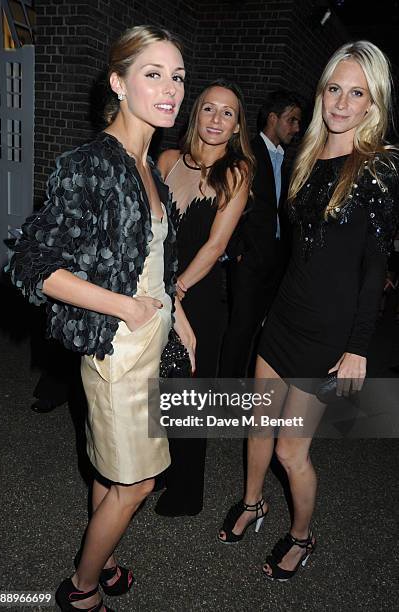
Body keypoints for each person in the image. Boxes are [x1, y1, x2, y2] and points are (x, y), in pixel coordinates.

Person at [7, 25, 194, 612]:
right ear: (118, 82)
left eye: (178, 76)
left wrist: (177, 313)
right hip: (118, 348)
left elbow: (154, 260)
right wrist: (126, 306)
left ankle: (103, 556)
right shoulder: (91, 164)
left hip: (150, 341)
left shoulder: (150, 166)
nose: (171, 89)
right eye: (153, 73)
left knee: (113, 471)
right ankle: (81, 590)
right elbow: (32, 265)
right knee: (137, 482)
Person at [218, 41, 399, 581]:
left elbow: (374, 268)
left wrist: (358, 347)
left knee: (291, 452)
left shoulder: (380, 169)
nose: (341, 103)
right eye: (333, 88)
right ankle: (252, 506)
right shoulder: (304, 156)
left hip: (328, 335)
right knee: (257, 427)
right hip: (284, 318)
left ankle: (302, 535)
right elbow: (299, 253)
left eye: (356, 93)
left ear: (374, 103)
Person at [155, 79, 254, 516]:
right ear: (196, 114)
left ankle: (186, 492)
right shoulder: (168, 159)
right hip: (152, 291)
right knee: (155, 388)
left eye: (227, 113)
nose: (217, 119)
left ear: (236, 127)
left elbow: (215, 247)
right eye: (209, 109)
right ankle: (157, 468)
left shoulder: (237, 172)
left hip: (196, 296)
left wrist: (175, 290)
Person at [220, 90, 302, 377]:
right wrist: (236, 249)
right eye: (291, 120)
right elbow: (229, 200)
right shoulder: (249, 152)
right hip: (249, 258)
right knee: (241, 327)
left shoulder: (283, 158)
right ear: (272, 118)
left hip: (274, 259)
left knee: (260, 328)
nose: (296, 128)